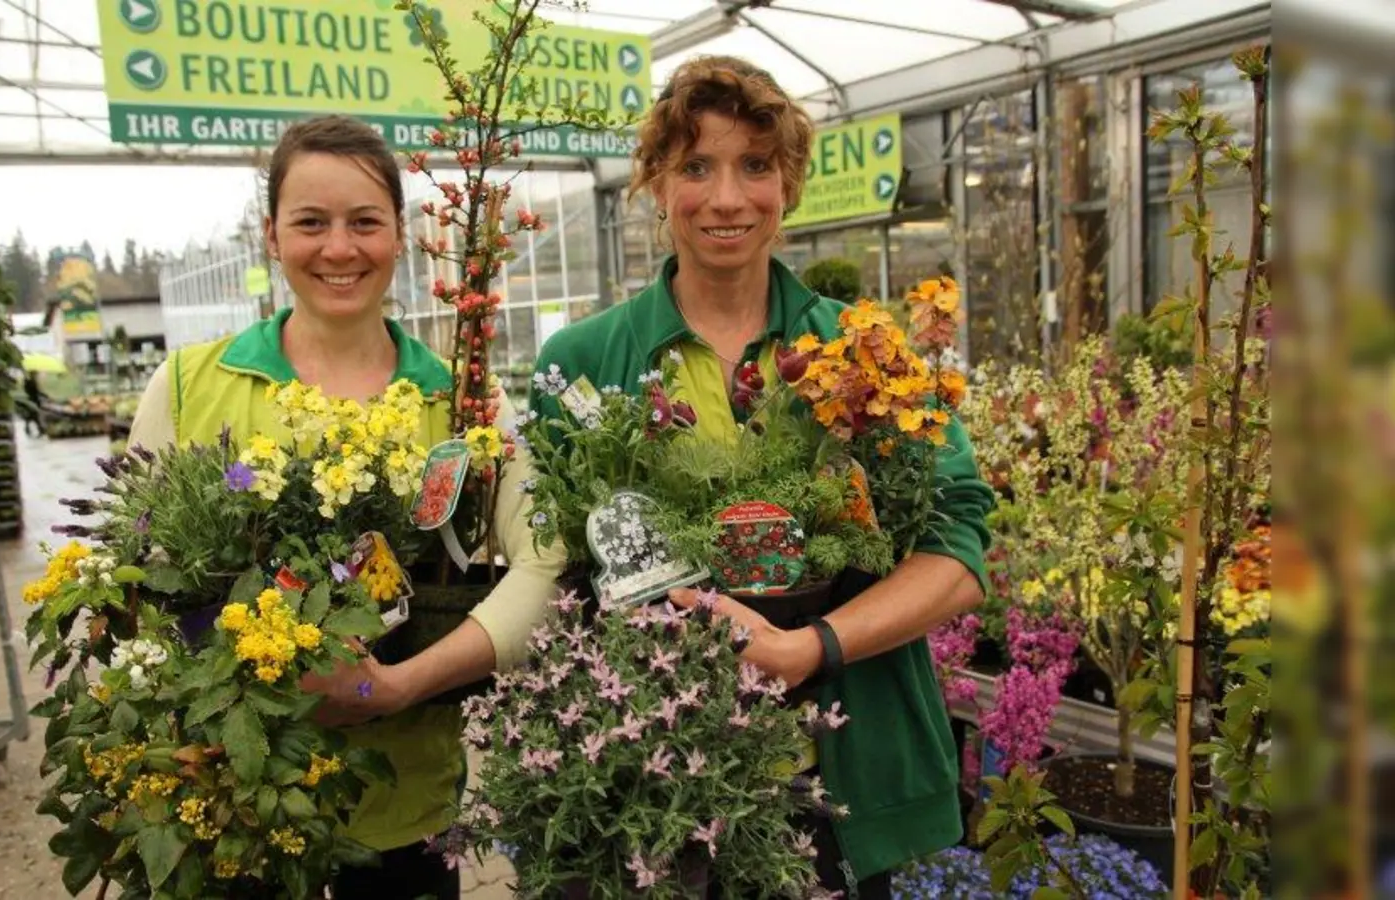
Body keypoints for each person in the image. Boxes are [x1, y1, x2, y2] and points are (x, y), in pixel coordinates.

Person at [529, 58, 995, 899]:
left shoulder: (863, 353)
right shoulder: (582, 362)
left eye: (754, 164)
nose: (726, 198)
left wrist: (811, 647)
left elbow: (958, 549)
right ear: (656, 183)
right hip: (652, 780)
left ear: (789, 183)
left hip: (830, 777)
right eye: (695, 167)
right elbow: (559, 572)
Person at [129, 114, 565, 900]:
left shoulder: (464, 400)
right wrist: (237, 685)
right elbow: (134, 573)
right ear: (270, 235)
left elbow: (544, 560)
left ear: (400, 235)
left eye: (365, 222)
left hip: (404, 806)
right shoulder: (192, 385)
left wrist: (397, 685)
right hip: (237, 804)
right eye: (310, 223)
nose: (339, 248)